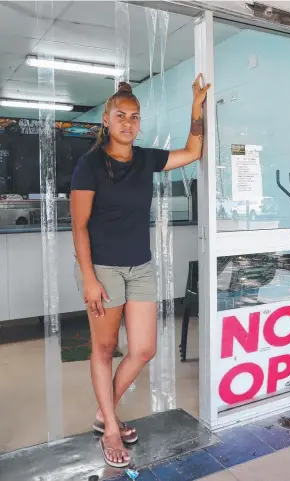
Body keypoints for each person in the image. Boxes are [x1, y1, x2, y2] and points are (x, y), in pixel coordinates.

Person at [70, 74, 210, 468]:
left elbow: (193, 152)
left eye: (134, 117)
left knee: (144, 348)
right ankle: (110, 428)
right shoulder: (90, 165)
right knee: (103, 348)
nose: (128, 123)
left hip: (140, 266)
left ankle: (105, 411)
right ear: (106, 119)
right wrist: (90, 279)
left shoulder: (146, 158)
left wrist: (196, 108)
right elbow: (79, 226)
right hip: (104, 269)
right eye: (120, 115)